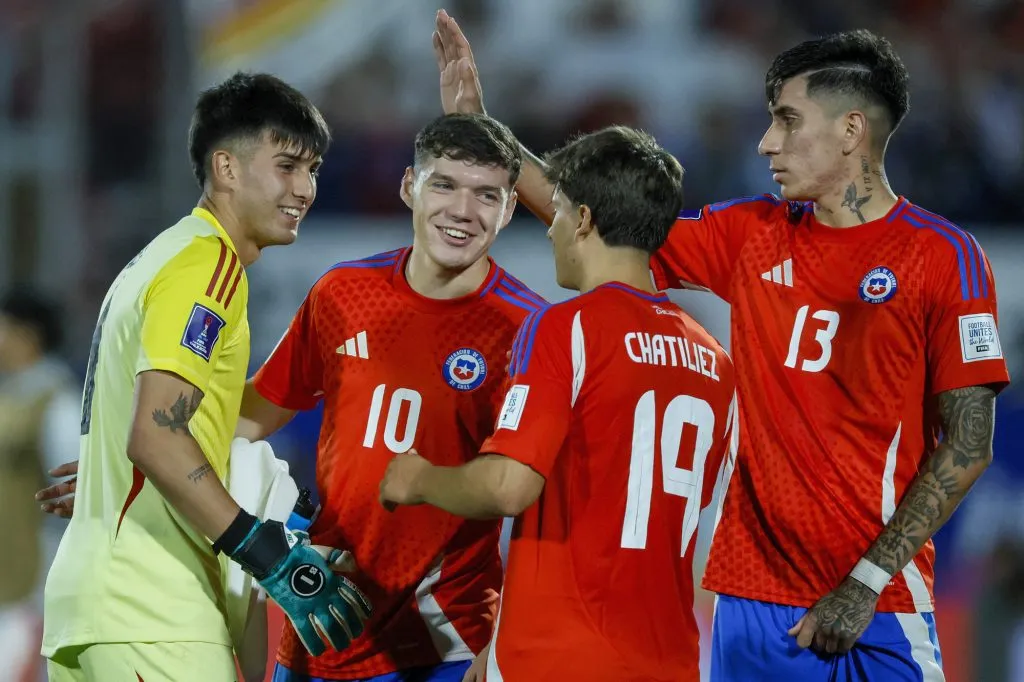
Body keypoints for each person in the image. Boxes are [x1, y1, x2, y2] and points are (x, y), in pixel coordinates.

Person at [432, 14, 1010, 681]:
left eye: (788, 121)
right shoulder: (753, 235)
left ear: (851, 130)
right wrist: (484, 131)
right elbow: (600, 224)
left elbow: (970, 443)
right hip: (750, 605)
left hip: (877, 603)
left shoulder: (945, 258)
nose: (767, 142)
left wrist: (867, 579)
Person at [41, 72, 369, 682]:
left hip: (105, 609)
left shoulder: (165, 254)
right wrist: (267, 555)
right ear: (227, 168)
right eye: (287, 165)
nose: (305, 189)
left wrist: (116, 471)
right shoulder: (209, 268)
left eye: (314, 170)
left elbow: (188, 424)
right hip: (154, 611)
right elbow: (158, 436)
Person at [380, 124, 736, 682]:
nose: (552, 232)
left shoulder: (566, 327)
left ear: (586, 220)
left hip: (554, 656)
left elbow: (509, 486)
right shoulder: (714, 358)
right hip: (669, 660)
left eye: (561, 212)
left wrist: (418, 478)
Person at [234, 111, 545, 682]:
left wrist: (512, 642)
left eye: (485, 195)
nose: (461, 211)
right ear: (409, 187)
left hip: (448, 646)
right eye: (444, 184)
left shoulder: (532, 331)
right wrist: (147, 459)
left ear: (509, 210)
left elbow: (548, 507)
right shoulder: (342, 292)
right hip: (321, 622)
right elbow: (254, 413)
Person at [0, 286, 80, 682]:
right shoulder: (11, 395)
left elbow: (70, 499)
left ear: (26, 335)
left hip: (31, 583)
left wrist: (53, 580)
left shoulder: (58, 404)